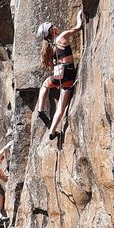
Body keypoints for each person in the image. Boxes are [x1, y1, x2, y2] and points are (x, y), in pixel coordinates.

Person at [34, 10, 84, 141]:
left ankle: (41, 110)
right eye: (52, 25)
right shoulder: (62, 37)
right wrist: (79, 15)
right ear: (51, 30)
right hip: (69, 75)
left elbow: (51, 65)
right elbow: (79, 27)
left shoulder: (50, 47)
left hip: (59, 76)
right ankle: (52, 130)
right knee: (61, 107)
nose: (55, 25)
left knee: (45, 85)